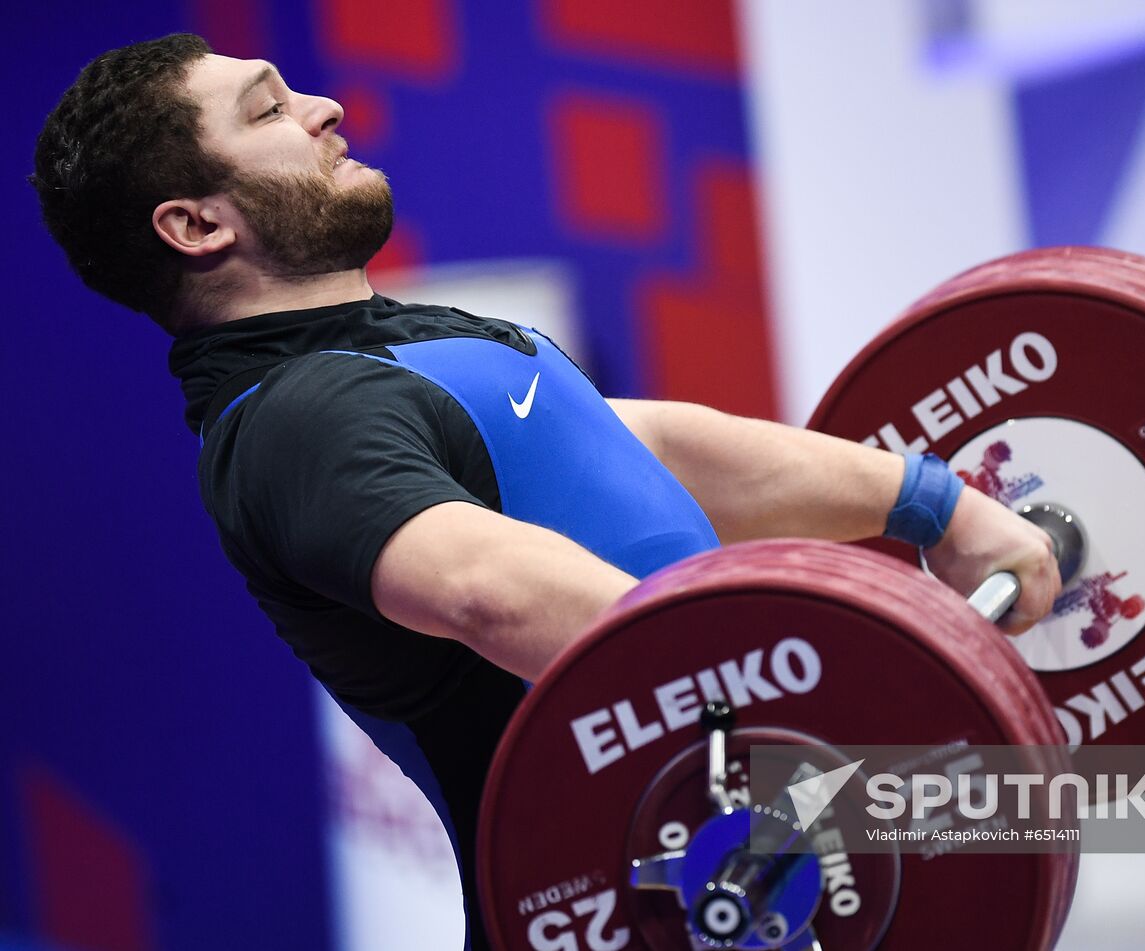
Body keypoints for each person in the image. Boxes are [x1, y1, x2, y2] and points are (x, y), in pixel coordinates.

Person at [31, 34, 1060, 948]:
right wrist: (825, 695)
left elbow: (652, 447)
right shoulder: (296, 422)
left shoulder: (401, 344)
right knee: (1093, 805)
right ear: (196, 225)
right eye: (268, 111)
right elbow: (488, 590)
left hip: (756, 841)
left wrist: (937, 506)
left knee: (1097, 804)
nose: (324, 107)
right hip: (662, 896)